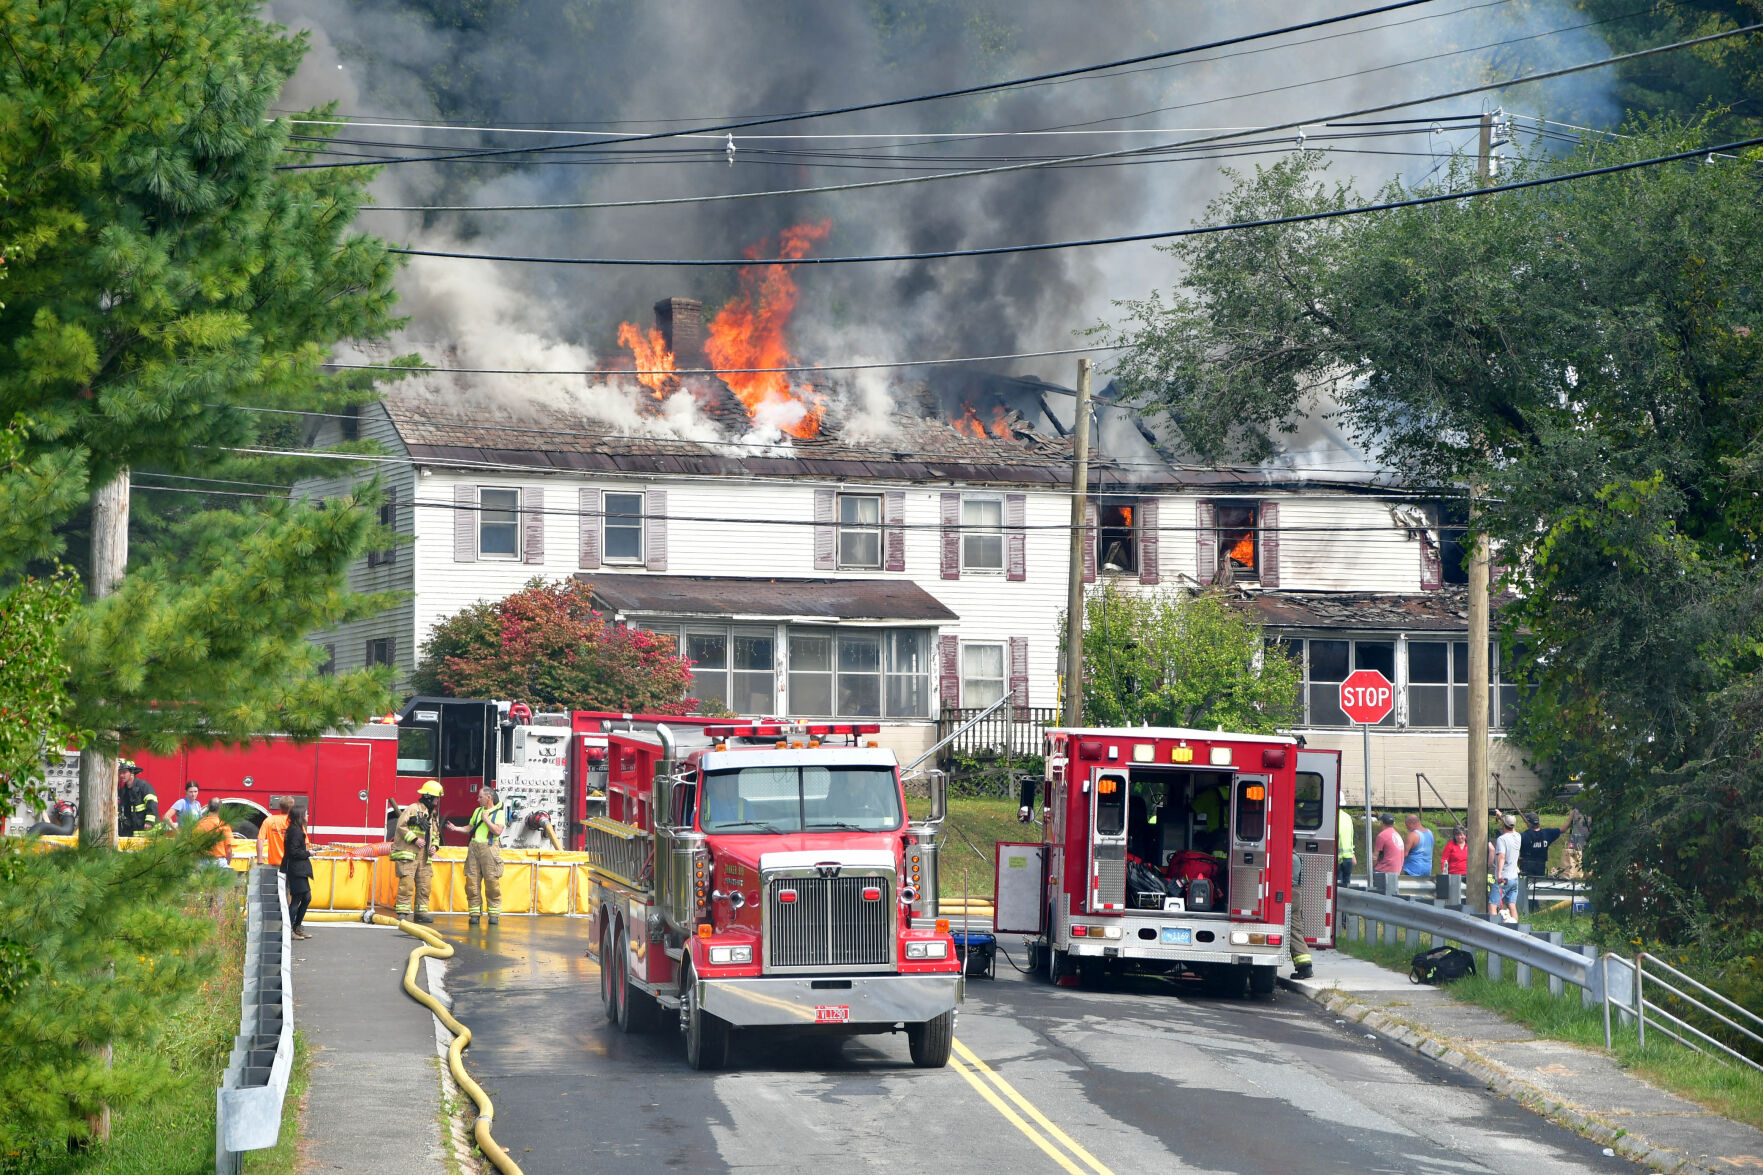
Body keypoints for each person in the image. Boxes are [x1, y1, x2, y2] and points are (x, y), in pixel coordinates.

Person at [448, 786, 506, 927]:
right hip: (474, 848)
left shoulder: (499, 813)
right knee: (472, 882)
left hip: (490, 848)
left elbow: (498, 831)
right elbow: (470, 827)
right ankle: (474, 914)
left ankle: (493, 915)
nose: (477, 799)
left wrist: (486, 820)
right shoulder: (477, 811)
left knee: (492, 882)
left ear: (489, 798)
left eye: (480, 797)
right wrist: (456, 828)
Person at [392, 780, 442, 924]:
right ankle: (402, 912)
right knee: (406, 884)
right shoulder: (413, 809)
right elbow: (401, 826)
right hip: (409, 854)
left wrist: (435, 847)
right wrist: (415, 840)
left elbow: (436, 834)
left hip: (425, 856)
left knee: (425, 885)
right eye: (436, 798)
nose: (437, 801)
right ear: (428, 797)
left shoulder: (432, 814)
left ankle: (420, 913)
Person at [281, 802, 314, 939]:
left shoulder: (295, 829)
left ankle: (297, 926)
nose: (307, 815)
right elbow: (293, 852)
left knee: (306, 897)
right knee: (297, 900)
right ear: (300, 815)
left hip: (298, 869)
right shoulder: (295, 831)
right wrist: (309, 853)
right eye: (306, 813)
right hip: (296, 869)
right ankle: (289, 929)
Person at [1289, 850, 1314, 980]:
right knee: (1294, 930)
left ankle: (1304, 967)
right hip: (1295, 892)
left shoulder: (1288, 857)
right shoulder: (1296, 857)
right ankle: (1305, 967)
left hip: (1288, 892)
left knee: (1293, 930)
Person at [1493, 812, 1522, 923]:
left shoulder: (1502, 839)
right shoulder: (1518, 836)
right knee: (1511, 905)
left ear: (1503, 825)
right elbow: (1511, 828)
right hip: (1514, 878)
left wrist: (1499, 875)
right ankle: (1515, 929)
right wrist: (1502, 817)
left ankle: (1494, 930)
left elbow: (1501, 856)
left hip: (1504, 878)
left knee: (1493, 904)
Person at [117, 760, 158, 837]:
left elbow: (152, 804)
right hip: (133, 833)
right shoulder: (123, 791)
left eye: (124, 772)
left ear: (132, 772)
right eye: (120, 772)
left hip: (149, 833)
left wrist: (149, 822)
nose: (121, 775)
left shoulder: (143, 786)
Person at [1517, 811, 1563, 878]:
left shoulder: (1524, 836)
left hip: (1526, 867)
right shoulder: (1547, 833)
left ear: (1528, 823)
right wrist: (1571, 817)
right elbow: (1563, 829)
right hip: (1541, 867)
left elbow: (1512, 835)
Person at [194, 799, 234, 868]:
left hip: (202, 862)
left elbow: (194, 846)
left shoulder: (199, 824)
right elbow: (229, 850)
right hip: (219, 862)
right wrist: (228, 863)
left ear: (208, 807)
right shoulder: (223, 825)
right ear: (221, 809)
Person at [257, 797, 292, 867]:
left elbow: (260, 840)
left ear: (279, 806)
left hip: (274, 864)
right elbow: (304, 843)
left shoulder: (269, 820)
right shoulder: (295, 822)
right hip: (291, 864)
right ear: (291, 808)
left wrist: (260, 860)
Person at [1561, 807, 1591, 879]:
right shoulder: (1576, 809)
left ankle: (1585, 873)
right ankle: (1577, 873)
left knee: (1581, 853)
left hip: (1584, 836)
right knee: (1576, 853)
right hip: (1578, 836)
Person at [1335, 806, 1357, 886]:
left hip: (1339, 859)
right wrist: (1352, 854)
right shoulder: (1347, 817)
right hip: (1348, 858)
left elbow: (1338, 836)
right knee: (1346, 885)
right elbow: (1350, 836)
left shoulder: (1333, 816)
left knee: (1338, 888)